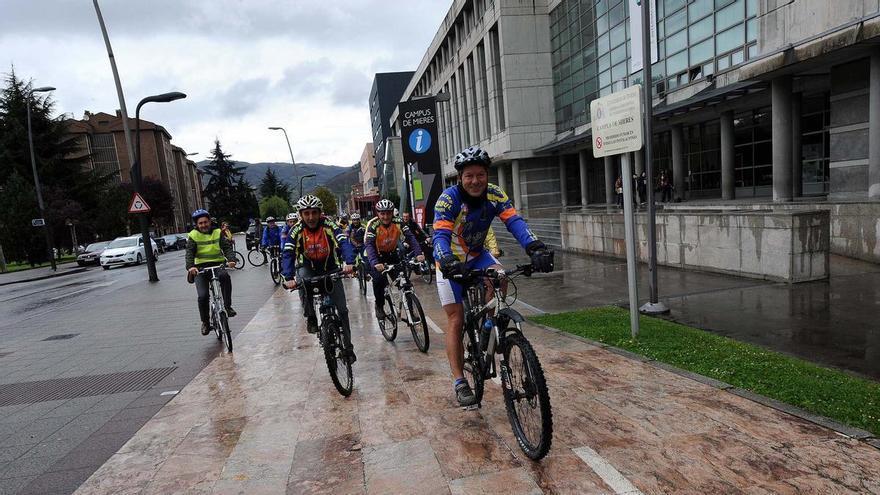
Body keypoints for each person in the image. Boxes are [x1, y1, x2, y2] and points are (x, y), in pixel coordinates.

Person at [433, 146, 554, 407]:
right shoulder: (449, 199)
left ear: (487, 175)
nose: (475, 181)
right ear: (460, 177)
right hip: (451, 260)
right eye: (469, 176)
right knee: (456, 319)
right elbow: (440, 237)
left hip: (477, 255)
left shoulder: (495, 194)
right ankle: (459, 381)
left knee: (500, 277)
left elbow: (515, 222)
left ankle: (491, 325)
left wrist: (536, 247)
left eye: (480, 175)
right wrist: (447, 261)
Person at [281, 195, 357, 362]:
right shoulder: (296, 230)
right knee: (302, 283)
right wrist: (288, 276)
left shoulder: (329, 224)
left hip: (330, 267)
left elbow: (343, 241)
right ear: (301, 214)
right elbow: (287, 252)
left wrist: (349, 262)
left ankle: (348, 348)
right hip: (307, 267)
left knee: (343, 310)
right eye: (306, 213)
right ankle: (311, 317)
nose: (310, 217)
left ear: (320, 213)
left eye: (314, 213)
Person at [365, 200, 424, 318]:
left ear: (392, 213)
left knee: (405, 282)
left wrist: (418, 253)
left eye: (388, 213)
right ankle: (379, 306)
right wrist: (375, 263)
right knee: (379, 281)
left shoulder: (398, 222)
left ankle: (411, 312)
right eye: (382, 213)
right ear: (378, 214)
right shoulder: (373, 225)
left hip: (391, 254)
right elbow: (369, 245)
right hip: (375, 256)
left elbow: (411, 237)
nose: (385, 217)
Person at [186, 209, 237, 336]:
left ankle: (227, 306)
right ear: (197, 225)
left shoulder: (217, 232)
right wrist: (190, 267)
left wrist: (231, 259)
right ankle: (205, 322)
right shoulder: (193, 235)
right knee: (203, 296)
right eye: (200, 223)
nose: (203, 225)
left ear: (209, 221)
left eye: (205, 222)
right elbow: (189, 253)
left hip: (217, 264)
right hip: (200, 268)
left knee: (225, 276)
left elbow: (226, 247)